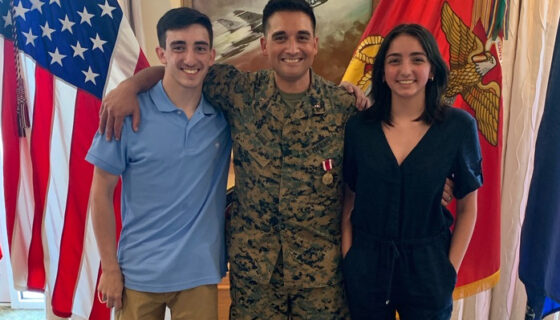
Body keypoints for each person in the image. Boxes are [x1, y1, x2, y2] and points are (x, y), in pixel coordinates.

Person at [98, 1, 452, 318]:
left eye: (302, 37)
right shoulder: (238, 92)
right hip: (256, 279)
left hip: (321, 281)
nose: (292, 48)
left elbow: (386, 157)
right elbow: (182, 69)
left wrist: (430, 182)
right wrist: (128, 88)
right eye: (281, 37)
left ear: (315, 43)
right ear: (265, 45)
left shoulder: (344, 108)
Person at [87, 8, 231, 320]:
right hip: (137, 274)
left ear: (212, 55)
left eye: (200, 48)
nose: (190, 58)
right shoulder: (124, 113)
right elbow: (100, 192)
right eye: (178, 47)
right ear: (161, 53)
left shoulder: (225, 115)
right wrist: (109, 268)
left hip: (199, 274)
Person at [341, 24, 482, 320]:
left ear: (432, 69)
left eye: (417, 59)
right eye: (394, 60)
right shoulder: (359, 128)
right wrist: (349, 257)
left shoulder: (458, 127)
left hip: (429, 267)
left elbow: (468, 207)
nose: (405, 69)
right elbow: (349, 198)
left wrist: (448, 270)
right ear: (382, 71)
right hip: (367, 265)